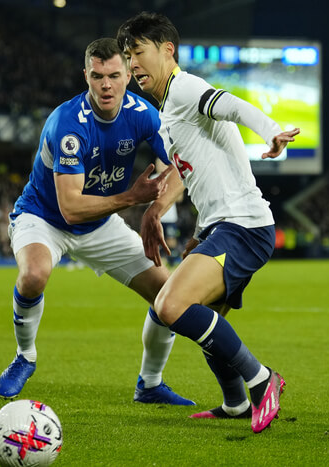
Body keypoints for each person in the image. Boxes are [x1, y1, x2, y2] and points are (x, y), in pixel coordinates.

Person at [117, 12, 300, 433]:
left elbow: (229, 104)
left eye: (139, 52)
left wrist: (271, 130)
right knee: (200, 314)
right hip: (224, 226)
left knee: (169, 305)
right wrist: (183, 225)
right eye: (128, 56)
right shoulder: (168, 113)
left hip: (244, 225)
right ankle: (235, 402)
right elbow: (194, 173)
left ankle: (261, 380)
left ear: (167, 51)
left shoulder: (184, 87)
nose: (133, 66)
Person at [0, 38, 193, 406]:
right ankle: (25, 356)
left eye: (115, 75)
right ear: (85, 75)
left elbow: (179, 168)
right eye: (98, 76)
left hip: (102, 224)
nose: (106, 85)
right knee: (34, 274)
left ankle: (150, 384)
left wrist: (156, 210)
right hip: (44, 217)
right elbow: (70, 208)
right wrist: (132, 200)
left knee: (169, 297)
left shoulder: (143, 113)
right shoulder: (68, 124)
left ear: (128, 76)